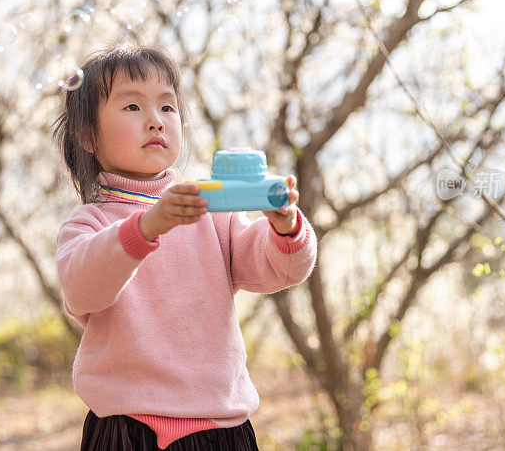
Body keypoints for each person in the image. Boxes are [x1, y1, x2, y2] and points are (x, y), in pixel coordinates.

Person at [52, 42, 318, 450]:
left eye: (167, 107)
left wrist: (285, 228)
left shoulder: (210, 211)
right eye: (132, 107)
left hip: (220, 428)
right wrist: (146, 227)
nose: (155, 121)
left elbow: (277, 268)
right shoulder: (90, 223)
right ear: (88, 135)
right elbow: (82, 289)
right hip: (127, 429)